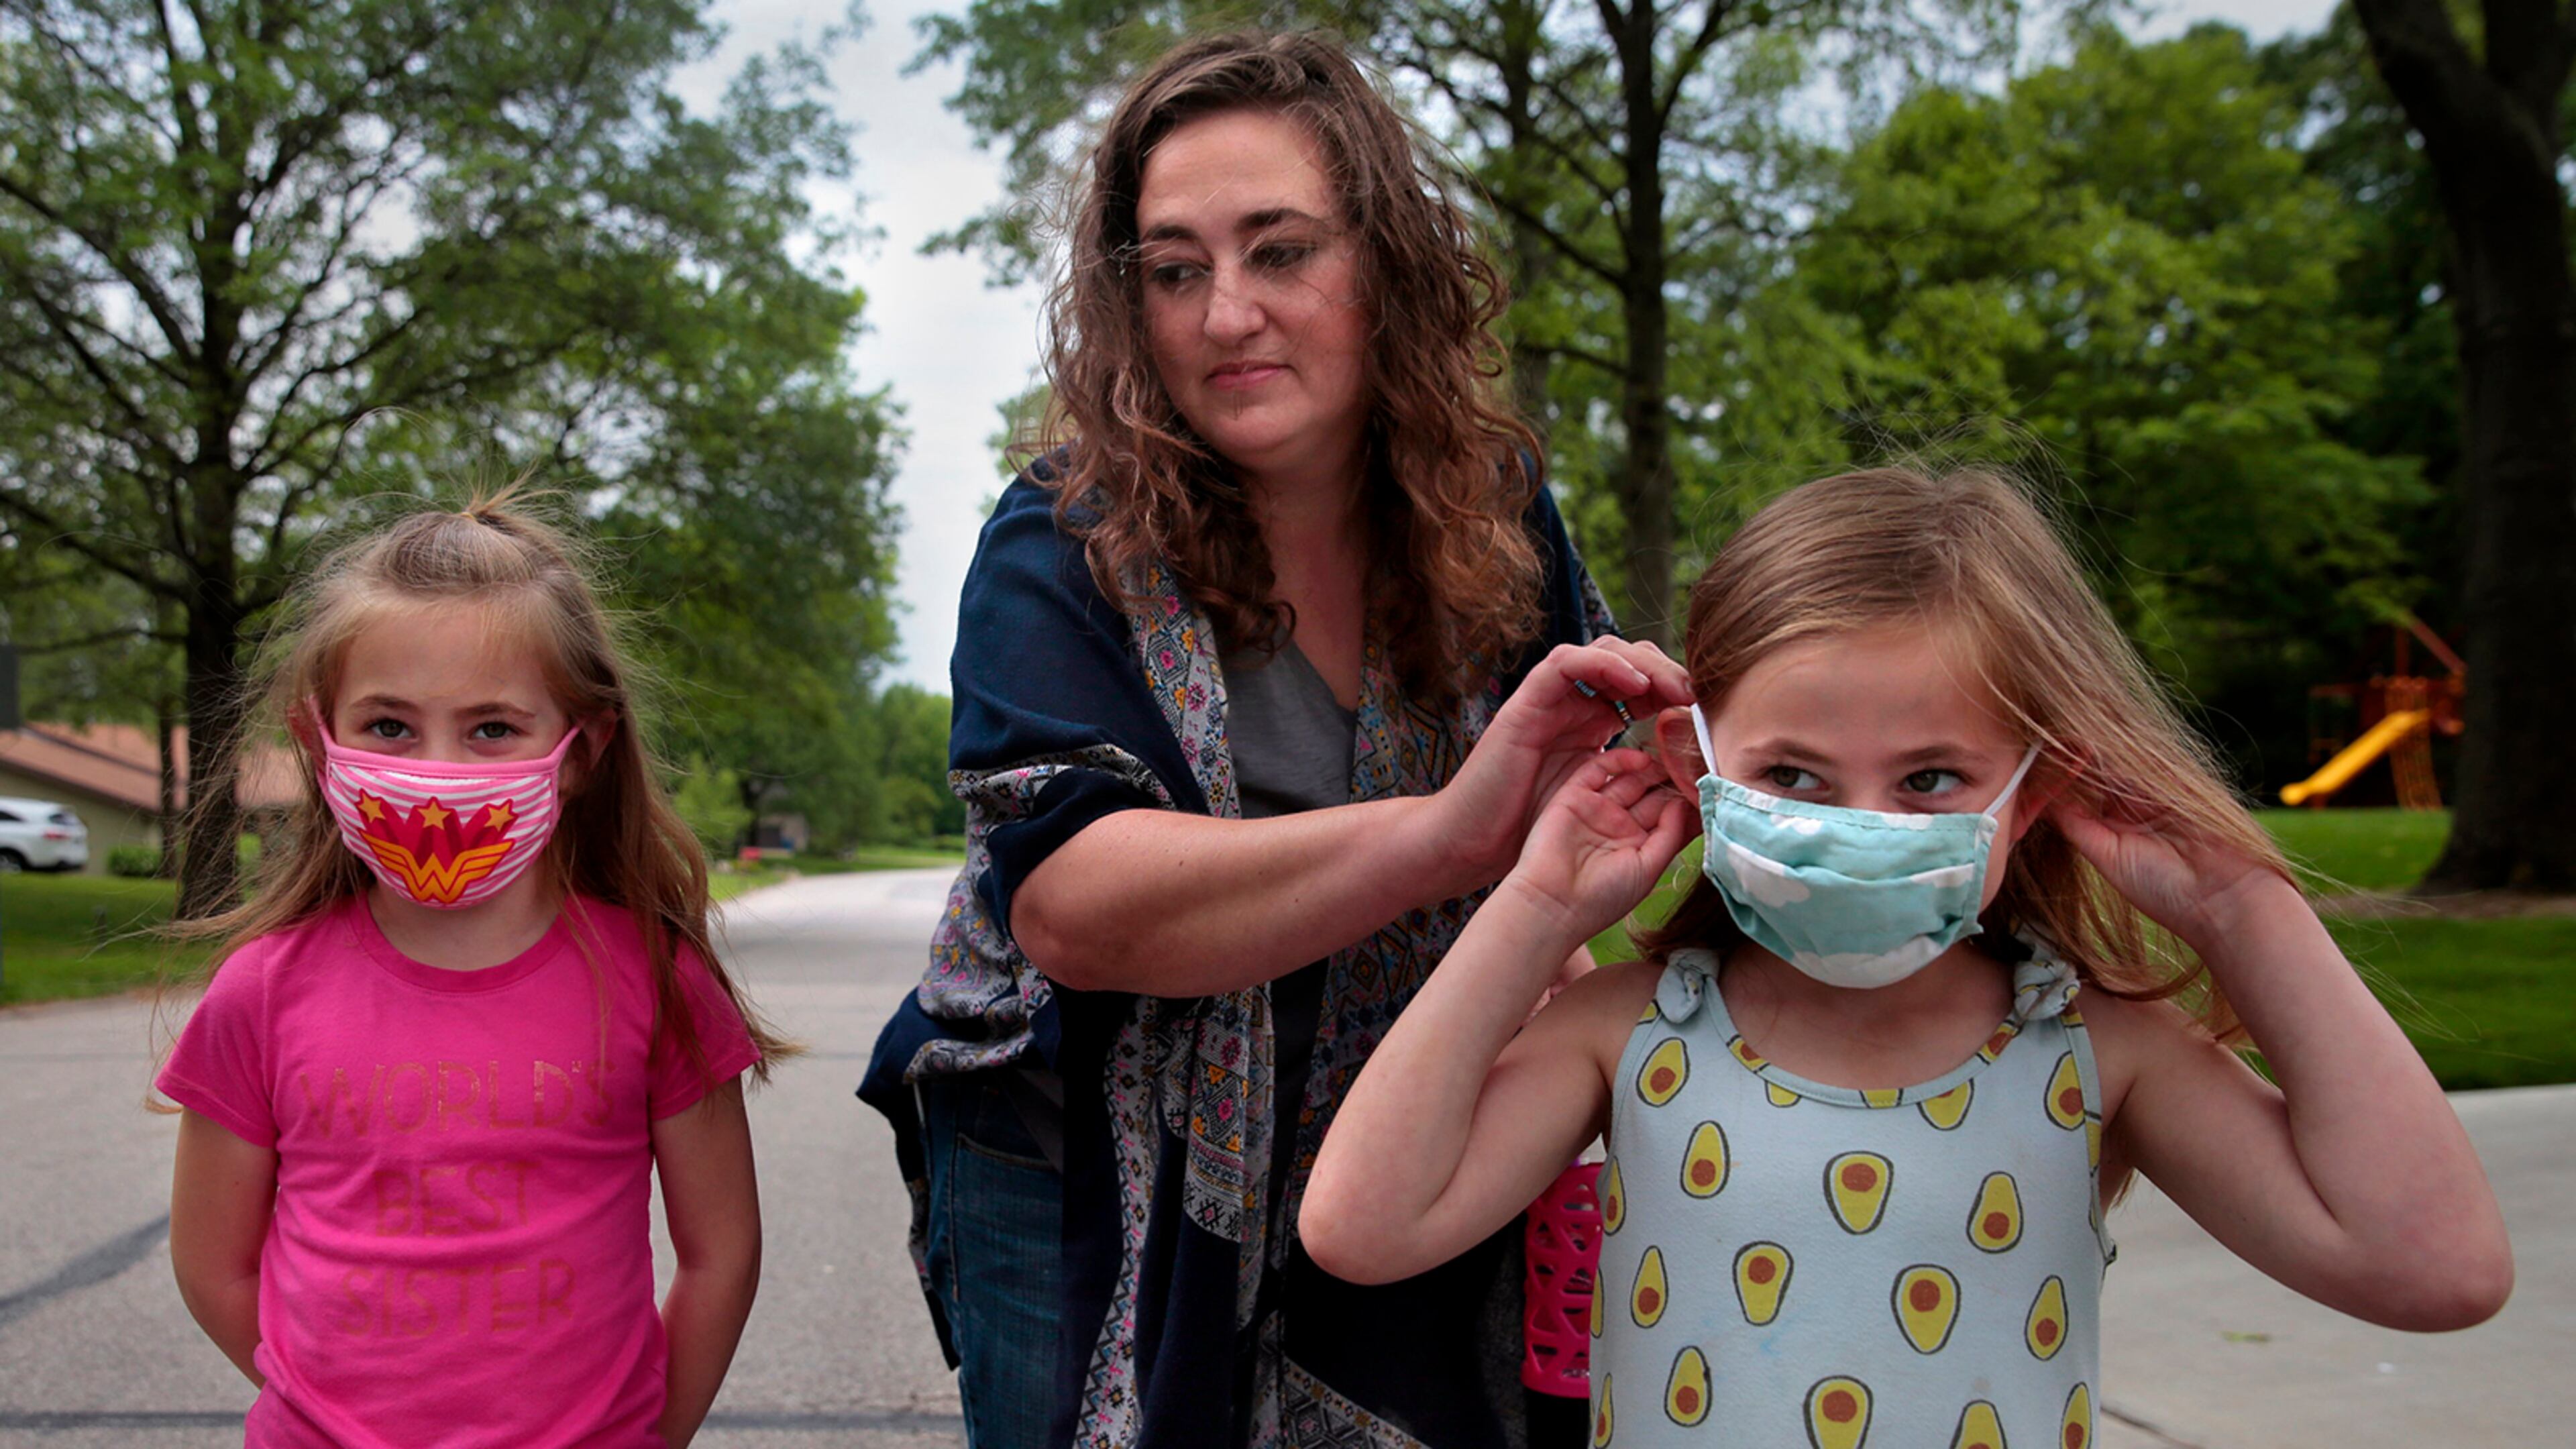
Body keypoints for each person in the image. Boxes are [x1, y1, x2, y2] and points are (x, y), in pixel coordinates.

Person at [1302, 468, 2514, 1446]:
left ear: (2036, 794)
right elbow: (1364, 1225)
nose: (1864, 826)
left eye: (1932, 780)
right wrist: (1535, 910)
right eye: (1792, 777)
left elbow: (2437, 1270)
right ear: (1695, 766)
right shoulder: (1630, 1032)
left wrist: (2244, 909)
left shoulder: (2098, 1052)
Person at [857, 28, 1689, 1449]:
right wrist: (1448, 836)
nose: (1226, 312)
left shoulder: (1498, 511)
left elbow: (1608, 815)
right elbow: (1074, 906)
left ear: (1384, 264)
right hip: (1075, 1165)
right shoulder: (1061, 539)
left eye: (1280, 251)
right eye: (1175, 270)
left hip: (1399, 1137)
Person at [156, 493, 786, 1448]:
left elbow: (721, 1253)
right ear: (317, 737)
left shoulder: (654, 983)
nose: (436, 772)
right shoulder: (262, 991)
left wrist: (653, 1435)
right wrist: (333, 1412)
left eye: (492, 728)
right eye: (389, 727)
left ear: (582, 750)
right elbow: (215, 1266)